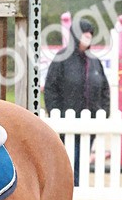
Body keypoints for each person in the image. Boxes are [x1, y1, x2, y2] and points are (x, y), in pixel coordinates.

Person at [43, 18, 111, 186]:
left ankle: (77, 198)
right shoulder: (62, 58)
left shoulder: (94, 62)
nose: (87, 37)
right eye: (84, 34)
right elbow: (51, 88)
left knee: (81, 164)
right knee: (67, 164)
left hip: (89, 125)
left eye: (90, 34)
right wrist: (55, 113)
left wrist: (103, 112)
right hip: (67, 124)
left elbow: (104, 89)